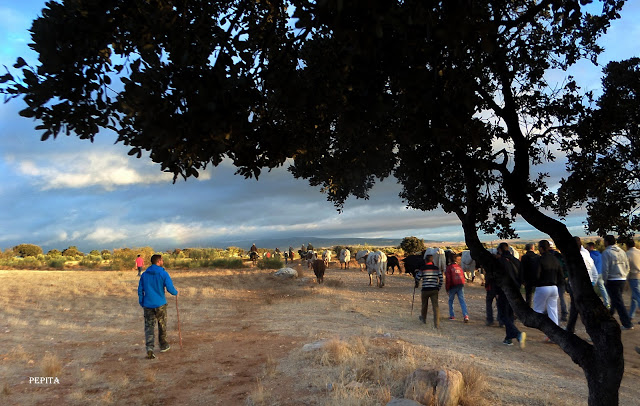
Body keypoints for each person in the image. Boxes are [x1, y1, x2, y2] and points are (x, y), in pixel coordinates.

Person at [138, 254, 179, 359]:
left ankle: (150, 348)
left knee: (149, 327)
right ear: (159, 261)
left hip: (147, 304)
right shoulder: (163, 273)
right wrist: (176, 293)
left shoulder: (144, 275)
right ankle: (163, 345)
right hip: (160, 304)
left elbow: (140, 290)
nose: (163, 262)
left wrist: (142, 302)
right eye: (162, 260)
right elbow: (170, 288)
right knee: (162, 324)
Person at [565, 236, 599, 333]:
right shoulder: (586, 255)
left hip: (577, 286)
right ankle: (570, 328)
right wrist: (592, 283)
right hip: (587, 285)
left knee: (579, 309)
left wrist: (570, 285)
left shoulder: (575, 257)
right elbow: (594, 271)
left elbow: (573, 273)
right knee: (580, 308)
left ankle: (572, 329)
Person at [496, 242, 526, 348]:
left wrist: (497, 292)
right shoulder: (517, 261)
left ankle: (518, 334)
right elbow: (522, 277)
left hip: (505, 291)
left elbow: (498, 279)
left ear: (500, 250)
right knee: (510, 314)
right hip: (516, 291)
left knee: (503, 315)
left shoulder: (500, 262)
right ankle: (508, 338)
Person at [533, 240, 564, 338]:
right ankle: (555, 335)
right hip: (554, 288)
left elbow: (537, 275)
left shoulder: (540, 259)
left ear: (541, 248)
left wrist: (534, 283)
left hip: (542, 287)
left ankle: (542, 329)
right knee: (553, 311)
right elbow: (561, 275)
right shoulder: (555, 259)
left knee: (538, 310)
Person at [602, 235, 633, 330]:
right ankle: (609, 316)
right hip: (622, 279)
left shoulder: (606, 252)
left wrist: (605, 279)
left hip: (612, 280)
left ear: (607, 242)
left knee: (618, 302)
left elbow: (605, 269)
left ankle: (627, 323)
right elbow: (627, 266)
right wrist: (624, 275)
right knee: (616, 300)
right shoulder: (622, 251)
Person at [415, 254, 443, 329]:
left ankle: (423, 319)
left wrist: (416, 274)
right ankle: (436, 324)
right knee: (435, 307)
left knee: (424, 305)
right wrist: (438, 287)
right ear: (432, 260)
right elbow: (441, 279)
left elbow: (417, 278)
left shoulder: (423, 268)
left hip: (425, 290)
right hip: (434, 289)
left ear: (425, 260)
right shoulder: (436, 268)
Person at [445, 254, 469, 322]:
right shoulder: (459, 267)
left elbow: (448, 279)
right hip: (460, 285)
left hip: (453, 286)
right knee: (462, 301)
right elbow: (463, 276)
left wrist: (447, 288)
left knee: (451, 301)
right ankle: (465, 315)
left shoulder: (449, 267)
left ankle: (452, 316)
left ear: (449, 260)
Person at [587, 241, 610, 309]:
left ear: (590, 247)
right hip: (600, 272)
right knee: (602, 288)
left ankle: (592, 304)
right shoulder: (600, 254)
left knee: (590, 290)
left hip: (593, 274)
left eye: (587, 246)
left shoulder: (589, 255)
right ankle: (607, 303)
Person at [626, 239, 640, 323]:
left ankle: (630, 316)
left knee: (638, 296)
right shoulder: (639, 251)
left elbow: (627, 267)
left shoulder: (628, 254)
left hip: (634, 276)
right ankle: (631, 315)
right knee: (634, 297)